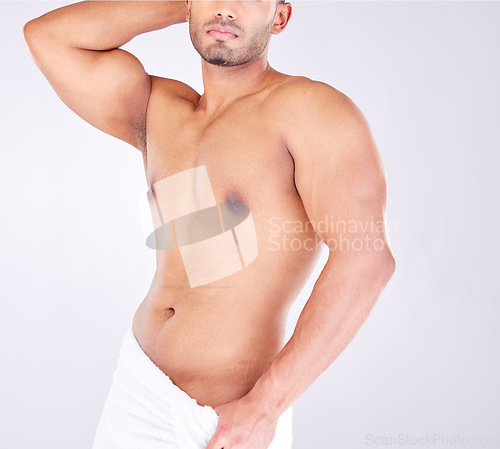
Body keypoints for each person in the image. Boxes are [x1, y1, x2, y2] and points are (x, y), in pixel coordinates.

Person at [23, 1, 396, 448]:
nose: (227, 8)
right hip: (137, 389)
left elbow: (366, 259)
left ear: (279, 17)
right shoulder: (159, 109)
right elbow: (47, 37)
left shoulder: (309, 110)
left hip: (228, 413)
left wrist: (266, 407)